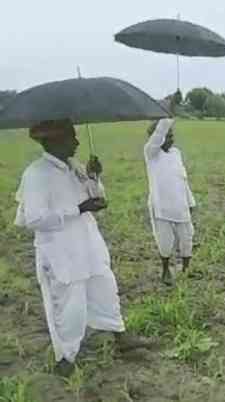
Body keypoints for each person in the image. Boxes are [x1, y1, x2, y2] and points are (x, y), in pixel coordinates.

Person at [14, 119, 148, 377]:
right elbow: (34, 219)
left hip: (88, 243)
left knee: (105, 288)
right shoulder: (36, 174)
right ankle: (65, 358)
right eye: (71, 138)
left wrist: (95, 176)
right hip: (61, 251)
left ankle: (120, 336)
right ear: (51, 141)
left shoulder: (74, 167)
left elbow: (97, 197)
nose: (76, 142)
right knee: (68, 304)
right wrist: (78, 209)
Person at [144, 118, 196, 285]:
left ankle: (186, 270)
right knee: (165, 241)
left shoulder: (176, 153)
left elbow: (183, 179)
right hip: (161, 207)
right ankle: (166, 269)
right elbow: (159, 135)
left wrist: (190, 202)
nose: (172, 139)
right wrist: (167, 118)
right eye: (168, 135)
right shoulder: (151, 153)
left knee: (187, 238)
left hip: (181, 204)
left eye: (172, 135)